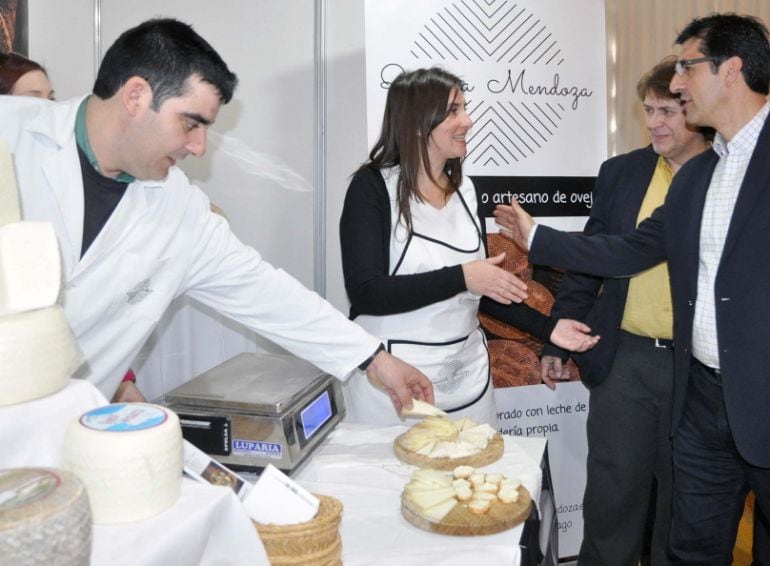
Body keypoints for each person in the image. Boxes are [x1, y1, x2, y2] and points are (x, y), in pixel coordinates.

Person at [0, 18, 433, 418]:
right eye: (191, 124)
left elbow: (266, 292)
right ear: (136, 96)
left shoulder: (177, 207)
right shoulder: (11, 133)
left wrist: (374, 359)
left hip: (62, 440)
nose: (200, 147)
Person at [495, 13, 770, 565]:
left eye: (688, 68)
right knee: (690, 540)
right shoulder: (701, 177)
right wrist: (539, 237)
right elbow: (624, 251)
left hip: (757, 394)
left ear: (732, 70)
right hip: (697, 394)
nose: (676, 84)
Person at [339, 67, 600, 425]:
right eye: (454, 111)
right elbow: (366, 292)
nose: (468, 120)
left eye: (465, 108)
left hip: (468, 380)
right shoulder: (372, 187)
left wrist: (549, 329)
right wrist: (463, 277)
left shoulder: (466, 191)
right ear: (417, 122)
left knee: (476, 476)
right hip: (393, 382)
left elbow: (483, 287)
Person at [538, 57, 710, 566]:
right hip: (625, 361)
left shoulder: (727, 175)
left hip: (697, 369)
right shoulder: (621, 173)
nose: (654, 122)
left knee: (686, 503)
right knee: (612, 497)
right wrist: (556, 338)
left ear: (697, 112)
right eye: (648, 110)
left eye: (667, 111)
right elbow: (590, 263)